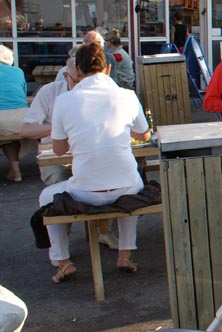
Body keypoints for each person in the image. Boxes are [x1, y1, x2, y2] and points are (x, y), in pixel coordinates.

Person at [40, 43, 150, 282]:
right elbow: (144, 135)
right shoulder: (127, 96)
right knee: (131, 184)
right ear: (108, 68)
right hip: (126, 187)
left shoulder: (65, 101)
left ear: (78, 71)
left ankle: (62, 260)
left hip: (86, 191)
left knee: (47, 196)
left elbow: (59, 150)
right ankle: (125, 253)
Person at [21, 46, 81, 185]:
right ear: (66, 76)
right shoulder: (49, 91)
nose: (81, 86)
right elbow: (26, 130)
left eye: (86, 80)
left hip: (86, 149)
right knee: (57, 179)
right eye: (77, 81)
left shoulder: (96, 91)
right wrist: (60, 128)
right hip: (53, 151)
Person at [0, 44, 28, 183]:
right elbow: (23, 93)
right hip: (22, 118)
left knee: (5, 130)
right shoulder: (18, 71)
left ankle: (15, 171)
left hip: (2, 119)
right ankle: (15, 170)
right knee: (9, 138)